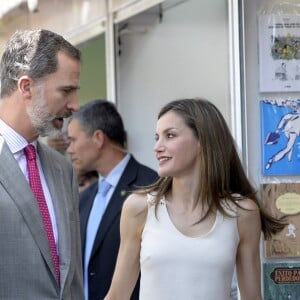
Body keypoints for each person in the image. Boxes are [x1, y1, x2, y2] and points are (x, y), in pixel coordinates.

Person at [104, 98, 285, 300]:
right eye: (157, 137)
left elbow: (252, 297)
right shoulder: (139, 208)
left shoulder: (242, 213)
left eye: (170, 136)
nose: (157, 146)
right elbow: (117, 295)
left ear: (203, 141)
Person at [0, 29, 84, 299]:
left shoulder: (63, 170)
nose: (75, 105)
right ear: (26, 87)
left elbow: (71, 279)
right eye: (66, 91)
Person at [66, 99, 158, 300]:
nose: (70, 149)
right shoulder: (83, 199)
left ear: (98, 138)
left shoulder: (151, 188)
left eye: (73, 140)